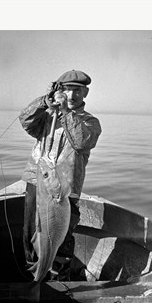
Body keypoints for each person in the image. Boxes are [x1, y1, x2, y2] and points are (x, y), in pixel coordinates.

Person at [19, 70, 102, 281]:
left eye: (77, 91)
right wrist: (44, 102)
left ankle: (58, 281)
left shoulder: (90, 122)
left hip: (65, 189)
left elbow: (82, 142)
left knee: (62, 237)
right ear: (59, 91)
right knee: (32, 231)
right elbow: (25, 120)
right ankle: (33, 276)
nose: (71, 95)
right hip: (36, 181)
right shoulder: (46, 117)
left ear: (85, 93)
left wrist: (65, 112)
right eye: (66, 90)